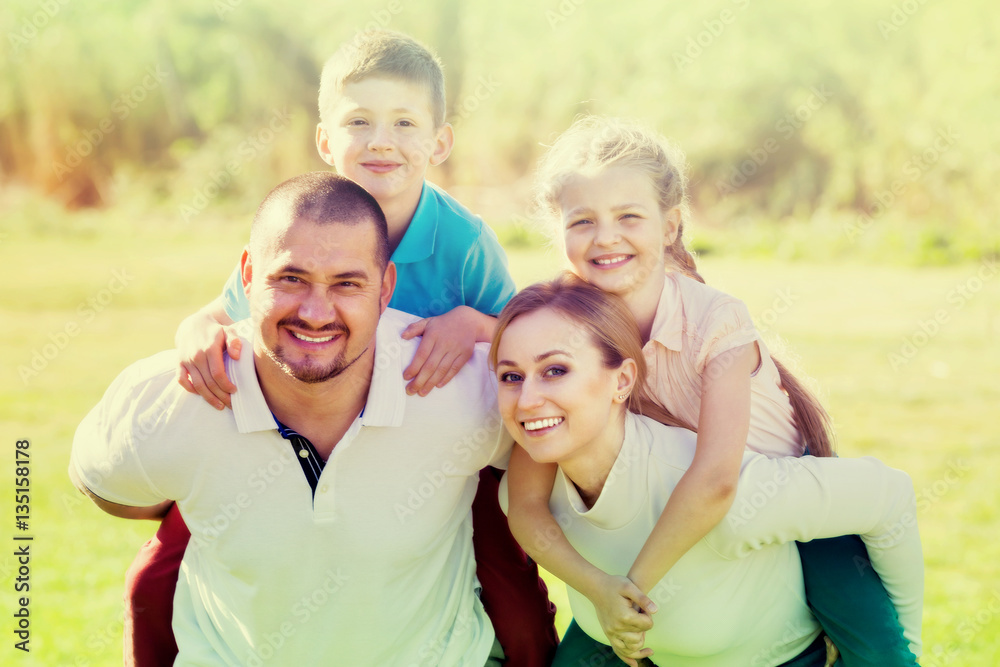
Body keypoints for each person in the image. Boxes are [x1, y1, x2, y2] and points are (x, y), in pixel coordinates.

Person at [126, 31, 556, 666]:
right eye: (360, 121)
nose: (382, 140)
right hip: (283, 442)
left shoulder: (463, 239)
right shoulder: (302, 222)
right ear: (326, 141)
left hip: (436, 454)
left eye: (404, 122)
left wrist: (470, 322)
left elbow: (526, 333)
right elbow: (234, 309)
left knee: (513, 593)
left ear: (440, 142)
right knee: (152, 578)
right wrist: (194, 327)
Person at [506, 117, 918, 665]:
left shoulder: (714, 321)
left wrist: (630, 592)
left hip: (784, 501)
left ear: (670, 225)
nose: (606, 236)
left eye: (629, 216)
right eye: (582, 221)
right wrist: (602, 592)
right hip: (663, 510)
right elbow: (526, 499)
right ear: (557, 231)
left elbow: (718, 481)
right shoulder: (560, 319)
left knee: (875, 648)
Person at [71, 172, 514, 666]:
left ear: (386, 287)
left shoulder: (469, 388)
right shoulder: (169, 399)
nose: (316, 312)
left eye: (347, 283)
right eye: (291, 278)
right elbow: (105, 484)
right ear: (247, 273)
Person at [493, 275, 923, 666]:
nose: (527, 400)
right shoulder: (527, 495)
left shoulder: (726, 494)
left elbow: (890, 494)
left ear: (622, 381)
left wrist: (902, 647)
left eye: (555, 370)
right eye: (511, 377)